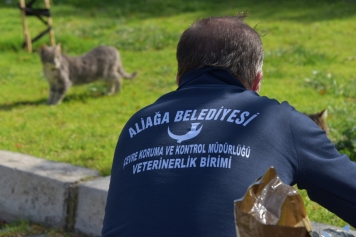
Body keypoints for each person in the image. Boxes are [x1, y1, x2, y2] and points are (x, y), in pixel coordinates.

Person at [102, 14, 356, 237]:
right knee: (278, 205)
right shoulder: (278, 119)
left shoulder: (135, 126)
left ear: (180, 78)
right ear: (257, 81)